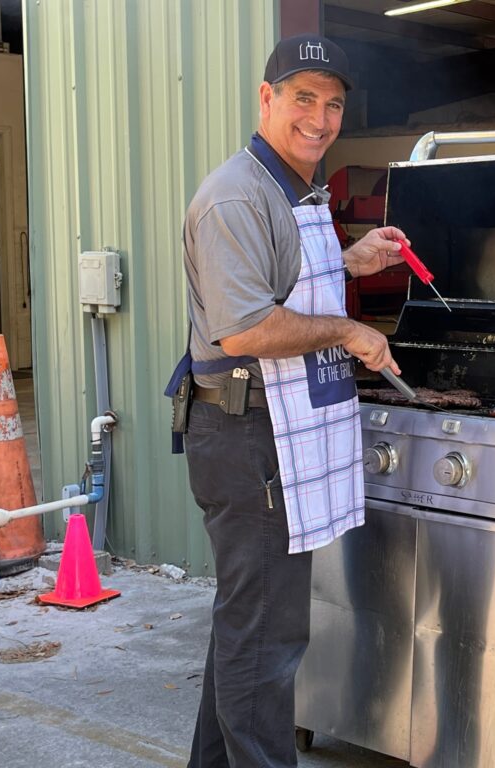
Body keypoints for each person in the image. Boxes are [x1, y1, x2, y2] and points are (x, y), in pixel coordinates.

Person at [179, 33, 406, 767]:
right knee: (266, 641)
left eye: (333, 103)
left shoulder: (292, 187)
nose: (320, 117)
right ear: (267, 98)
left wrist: (350, 260)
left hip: (268, 431)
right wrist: (351, 329)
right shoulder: (236, 195)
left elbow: (279, 278)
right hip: (247, 437)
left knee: (250, 628)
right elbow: (244, 328)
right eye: (303, 98)